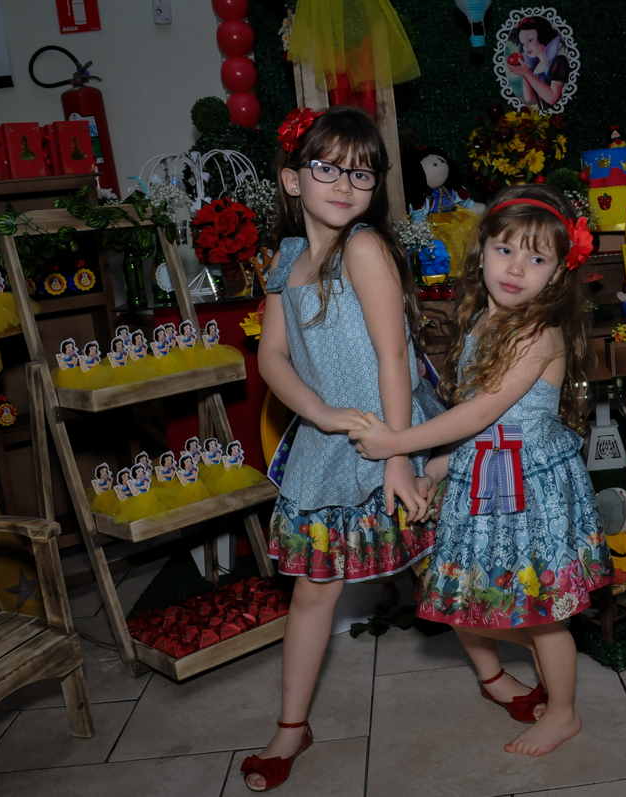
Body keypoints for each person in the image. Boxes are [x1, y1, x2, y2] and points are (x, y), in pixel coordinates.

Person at [349, 185, 610, 757]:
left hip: (533, 491)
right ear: (482, 251)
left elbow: (482, 412)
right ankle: (528, 671)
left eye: (537, 259)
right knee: (471, 598)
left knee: (544, 618)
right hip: (492, 480)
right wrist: (434, 471)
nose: (517, 269)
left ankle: (562, 712)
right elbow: (480, 433)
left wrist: (397, 442)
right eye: (506, 250)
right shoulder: (485, 323)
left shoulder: (537, 332)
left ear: (557, 274)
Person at [243, 105, 442, 792]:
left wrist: (393, 452)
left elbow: (394, 355)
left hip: (390, 430)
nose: (344, 182)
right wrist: (321, 413)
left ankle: (494, 670)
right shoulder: (288, 259)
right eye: (326, 166)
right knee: (313, 590)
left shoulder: (364, 247)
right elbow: (272, 358)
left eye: (362, 171)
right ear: (293, 180)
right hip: (330, 441)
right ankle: (292, 726)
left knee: (434, 562)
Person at [505, 16, 570, 111]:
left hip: (560, 113)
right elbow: (529, 97)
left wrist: (527, 73)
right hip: (542, 117)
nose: (526, 46)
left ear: (542, 37)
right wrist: (524, 73)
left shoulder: (558, 61)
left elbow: (552, 99)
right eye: (523, 43)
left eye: (530, 40)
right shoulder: (535, 66)